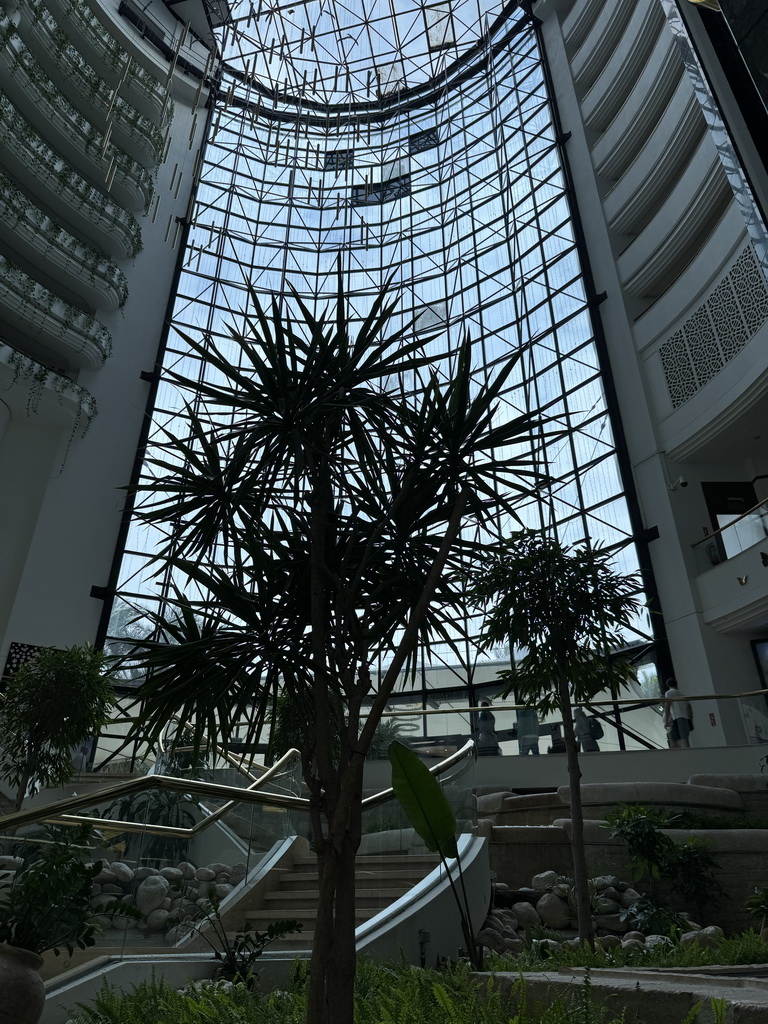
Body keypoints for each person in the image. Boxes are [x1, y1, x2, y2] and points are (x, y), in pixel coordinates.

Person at [664, 679, 693, 748]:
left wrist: (666, 720)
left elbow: (667, 706)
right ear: (676, 684)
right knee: (684, 738)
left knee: (679, 739)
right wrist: (690, 720)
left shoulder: (669, 693)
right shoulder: (682, 694)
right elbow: (689, 709)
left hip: (677, 717)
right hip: (685, 718)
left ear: (668, 685)